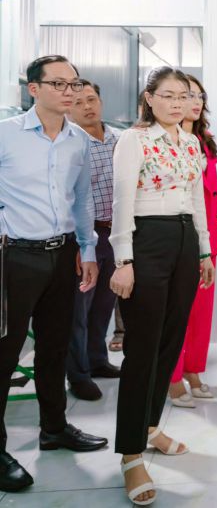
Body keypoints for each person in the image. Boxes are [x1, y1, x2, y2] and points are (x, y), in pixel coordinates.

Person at [0, 55, 107, 493]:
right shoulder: (6, 134)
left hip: (63, 255)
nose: (70, 91)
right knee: (5, 356)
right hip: (14, 258)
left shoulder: (77, 140)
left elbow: (82, 200)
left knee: (55, 348)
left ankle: (54, 428)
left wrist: (88, 249)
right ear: (33, 89)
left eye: (74, 83)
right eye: (59, 84)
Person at [110, 66, 214, 505]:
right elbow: (123, 200)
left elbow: (195, 200)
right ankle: (131, 455)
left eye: (184, 95)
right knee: (142, 350)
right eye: (167, 95)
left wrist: (205, 251)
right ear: (149, 99)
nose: (177, 103)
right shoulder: (134, 140)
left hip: (185, 240)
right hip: (146, 242)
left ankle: (151, 427)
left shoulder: (191, 143)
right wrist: (124, 260)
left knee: (170, 344)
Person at [168, 74, 217, 408]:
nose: (194, 101)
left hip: (208, 236)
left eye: (199, 95)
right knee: (178, 312)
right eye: (187, 95)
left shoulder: (205, 139)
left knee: (202, 312)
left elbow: (212, 194)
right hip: (177, 234)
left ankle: (193, 371)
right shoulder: (163, 139)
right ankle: (172, 378)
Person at [66, 80, 122, 401]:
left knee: (104, 302)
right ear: (69, 108)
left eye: (92, 99)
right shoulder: (71, 144)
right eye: (79, 102)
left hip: (115, 234)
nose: (87, 106)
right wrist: (78, 242)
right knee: (79, 309)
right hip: (85, 236)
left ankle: (98, 360)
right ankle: (78, 374)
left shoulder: (119, 139)